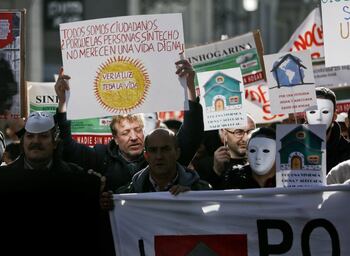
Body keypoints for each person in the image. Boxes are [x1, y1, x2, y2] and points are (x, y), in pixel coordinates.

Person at [54, 58, 204, 192]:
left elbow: (192, 134)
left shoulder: (158, 154)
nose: (133, 137)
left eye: (138, 130)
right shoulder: (100, 157)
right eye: (125, 133)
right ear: (115, 138)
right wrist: (63, 102)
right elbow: (66, 147)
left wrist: (189, 87)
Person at [115, 128, 211, 194]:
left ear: (177, 153)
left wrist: (192, 198)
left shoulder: (201, 190)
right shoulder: (128, 193)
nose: (159, 156)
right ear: (146, 155)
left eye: (165, 149)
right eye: (153, 150)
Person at [193, 115, 256, 189]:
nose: (246, 138)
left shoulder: (264, 161)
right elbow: (203, 196)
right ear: (224, 134)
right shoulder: (205, 166)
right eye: (239, 132)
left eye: (250, 132)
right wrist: (216, 172)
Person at [305, 87, 350, 172]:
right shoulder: (290, 147)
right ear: (305, 116)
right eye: (312, 112)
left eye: (325, 112)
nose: (318, 118)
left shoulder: (347, 151)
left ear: (334, 116)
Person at [0, 50, 16, 115]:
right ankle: (6, 113)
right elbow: (10, 74)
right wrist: (13, 83)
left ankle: (0, 114)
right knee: (8, 100)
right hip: (6, 85)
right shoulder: (6, 63)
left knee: (0, 101)